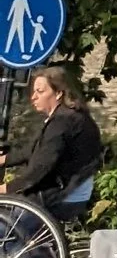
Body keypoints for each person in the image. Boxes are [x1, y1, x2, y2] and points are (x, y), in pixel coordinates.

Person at [9, 69, 100, 216]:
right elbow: (33, 150)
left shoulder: (62, 122)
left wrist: (7, 188)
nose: (33, 97)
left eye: (40, 91)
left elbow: (40, 169)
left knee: (5, 227)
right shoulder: (73, 116)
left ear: (58, 93)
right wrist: (3, 159)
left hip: (59, 197)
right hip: (74, 195)